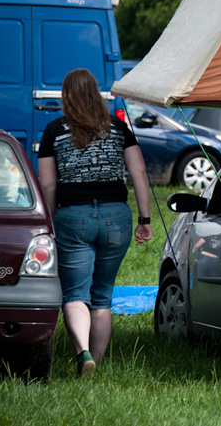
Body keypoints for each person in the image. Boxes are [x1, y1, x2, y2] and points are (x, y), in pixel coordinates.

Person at [38, 68, 153, 377]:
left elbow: (47, 184)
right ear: (95, 94)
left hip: (73, 217)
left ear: (66, 96)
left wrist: (49, 221)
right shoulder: (118, 128)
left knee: (75, 294)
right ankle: (97, 362)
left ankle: (83, 353)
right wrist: (144, 219)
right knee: (102, 295)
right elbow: (139, 173)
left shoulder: (54, 131)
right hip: (116, 217)